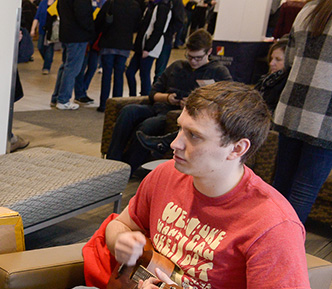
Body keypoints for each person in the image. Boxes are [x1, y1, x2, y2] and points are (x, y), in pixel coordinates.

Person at [0, 81, 312, 289]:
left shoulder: (272, 221)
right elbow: (122, 224)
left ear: (237, 149)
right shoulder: (166, 175)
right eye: (180, 129)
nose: (175, 144)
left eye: (194, 136)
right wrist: (121, 240)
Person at [107, 29, 231, 173]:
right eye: (189, 56)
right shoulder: (177, 66)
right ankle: (112, 161)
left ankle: (129, 167)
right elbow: (153, 93)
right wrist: (167, 97)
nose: (193, 61)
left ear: (208, 52)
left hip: (174, 115)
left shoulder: (218, 72)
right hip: (159, 105)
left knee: (149, 124)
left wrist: (191, 104)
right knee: (128, 111)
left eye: (197, 58)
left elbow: (226, 101)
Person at [138, 39, 288, 157]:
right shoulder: (267, 80)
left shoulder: (283, 85)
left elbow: (244, 105)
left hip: (251, 123)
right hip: (169, 108)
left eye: (278, 60)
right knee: (131, 112)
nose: (272, 63)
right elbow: (154, 93)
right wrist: (168, 98)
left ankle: (163, 143)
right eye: (271, 59)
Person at [273, 0, 332, 224]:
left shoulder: (309, 9)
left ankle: (263, 241)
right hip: (325, 119)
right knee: (304, 191)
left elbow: (288, 59)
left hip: (292, 110)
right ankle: (284, 250)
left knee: (281, 184)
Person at [96, 0, 141, 112]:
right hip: (124, 44)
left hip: (108, 43)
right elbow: (137, 26)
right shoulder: (135, 6)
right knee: (119, 75)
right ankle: (117, 105)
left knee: (106, 75)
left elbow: (99, 20)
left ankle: (103, 104)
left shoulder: (110, 3)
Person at [50, 0, 96, 110]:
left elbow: (58, 7)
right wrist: (91, 29)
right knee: (72, 68)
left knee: (65, 66)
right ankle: (63, 99)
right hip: (78, 35)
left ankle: (56, 97)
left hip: (67, 33)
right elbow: (82, 14)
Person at [126, 0, 173, 97]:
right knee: (130, 72)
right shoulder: (150, 6)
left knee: (144, 74)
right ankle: (133, 96)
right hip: (141, 46)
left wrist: (148, 48)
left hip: (149, 48)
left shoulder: (162, 8)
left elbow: (158, 30)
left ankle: (145, 97)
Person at [30, 0, 57, 75]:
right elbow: (37, 17)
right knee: (40, 47)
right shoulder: (43, 3)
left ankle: (46, 67)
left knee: (49, 48)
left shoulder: (57, 3)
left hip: (52, 31)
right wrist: (33, 29)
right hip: (42, 29)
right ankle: (48, 60)